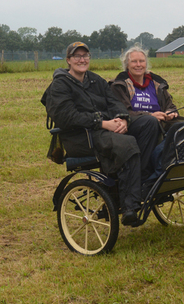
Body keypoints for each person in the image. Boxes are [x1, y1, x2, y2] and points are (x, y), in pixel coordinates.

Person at [41, 42, 143, 226]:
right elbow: (67, 117)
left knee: (148, 123)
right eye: (77, 56)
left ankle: (144, 178)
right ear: (68, 61)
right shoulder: (59, 86)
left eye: (85, 56)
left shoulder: (96, 80)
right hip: (81, 137)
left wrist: (122, 119)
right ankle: (130, 206)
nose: (82, 59)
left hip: (104, 128)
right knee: (126, 143)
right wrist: (103, 123)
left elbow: (114, 102)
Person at [110, 45, 184, 182]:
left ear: (146, 63)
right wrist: (150, 116)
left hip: (161, 125)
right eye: (134, 61)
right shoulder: (119, 85)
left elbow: (170, 104)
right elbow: (123, 112)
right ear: (127, 65)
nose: (138, 65)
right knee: (150, 122)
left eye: (141, 61)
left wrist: (170, 112)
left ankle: (176, 164)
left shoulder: (156, 84)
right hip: (135, 127)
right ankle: (146, 172)